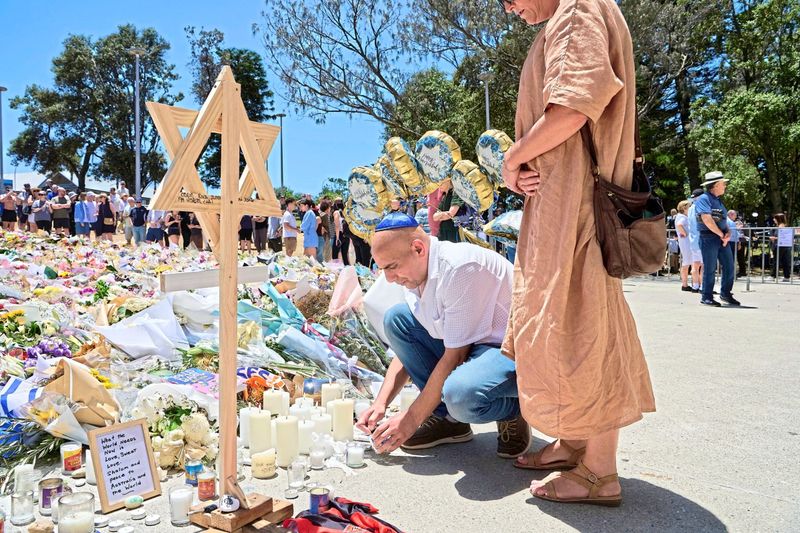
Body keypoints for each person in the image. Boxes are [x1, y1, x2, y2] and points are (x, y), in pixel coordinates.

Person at [500, 0, 655, 506]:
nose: (508, 8)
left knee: (586, 327)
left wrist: (513, 158)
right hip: (563, 206)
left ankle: (600, 472)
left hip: (577, 209)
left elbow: (572, 107)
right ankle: (575, 443)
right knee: (567, 328)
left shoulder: (576, 9)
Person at [358, 212, 529, 459]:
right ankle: (447, 420)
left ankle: (513, 410)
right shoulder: (417, 272)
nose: (389, 278)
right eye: (383, 269)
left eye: (392, 267)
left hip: (507, 349)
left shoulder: (459, 267)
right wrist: (380, 403)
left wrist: (410, 420)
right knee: (396, 319)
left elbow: (455, 356)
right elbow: (406, 353)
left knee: (460, 394)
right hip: (471, 346)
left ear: (418, 248)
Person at [694, 172, 738, 306]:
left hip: (720, 238)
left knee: (729, 266)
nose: (725, 186)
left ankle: (725, 293)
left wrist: (728, 232)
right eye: (723, 184)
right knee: (710, 268)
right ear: (715, 185)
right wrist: (722, 235)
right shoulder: (703, 199)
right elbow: (707, 219)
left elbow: (724, 220)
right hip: (708, 237)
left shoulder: (718, 200)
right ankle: (706, 296)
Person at [432, 179, 464, 243]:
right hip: (443, 231)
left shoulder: (456, 193)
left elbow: (450, 214)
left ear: (448, 181)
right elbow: (434, 217)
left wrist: (440, 215)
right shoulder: (444, 196)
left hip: (454, 231)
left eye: (441, 183)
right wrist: (444, 214)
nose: (439, 185)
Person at [686, 189, 705, 292]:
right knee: (704, 265)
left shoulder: (690, 208)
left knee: (695, 264)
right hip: (702, 239)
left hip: (693, 240)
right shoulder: (701, 207)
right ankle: (702, 286)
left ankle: (695, 286)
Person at [674, 200, 694, 291]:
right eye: (689, 207)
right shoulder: (682, 217)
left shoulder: (681, 216)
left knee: (687, 263)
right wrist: (684, 233)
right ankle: (685, 284)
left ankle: (686, 284)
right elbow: (679, 225)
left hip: (685, 242)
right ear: (684, 208)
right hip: (686, 243)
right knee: (687, 263)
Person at [770, 213, 793, 282]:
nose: (774, 220)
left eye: (775, 218)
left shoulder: (780, 227)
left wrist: (774, 238)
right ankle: (786, 276)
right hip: (785, 246)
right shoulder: (784, 226)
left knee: (776, 261)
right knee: (785, 261)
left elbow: (783, 237)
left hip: (779, 246)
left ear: (778, 219)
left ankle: (773, 276)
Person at [332, 198, 350, 265]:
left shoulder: (336, 212)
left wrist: (337, 238)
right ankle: (347, 269)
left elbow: (337, 226)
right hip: (346, 235)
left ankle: (335, 269)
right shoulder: (345, 212)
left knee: (335, 255)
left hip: (339, 234)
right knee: (345, 255)